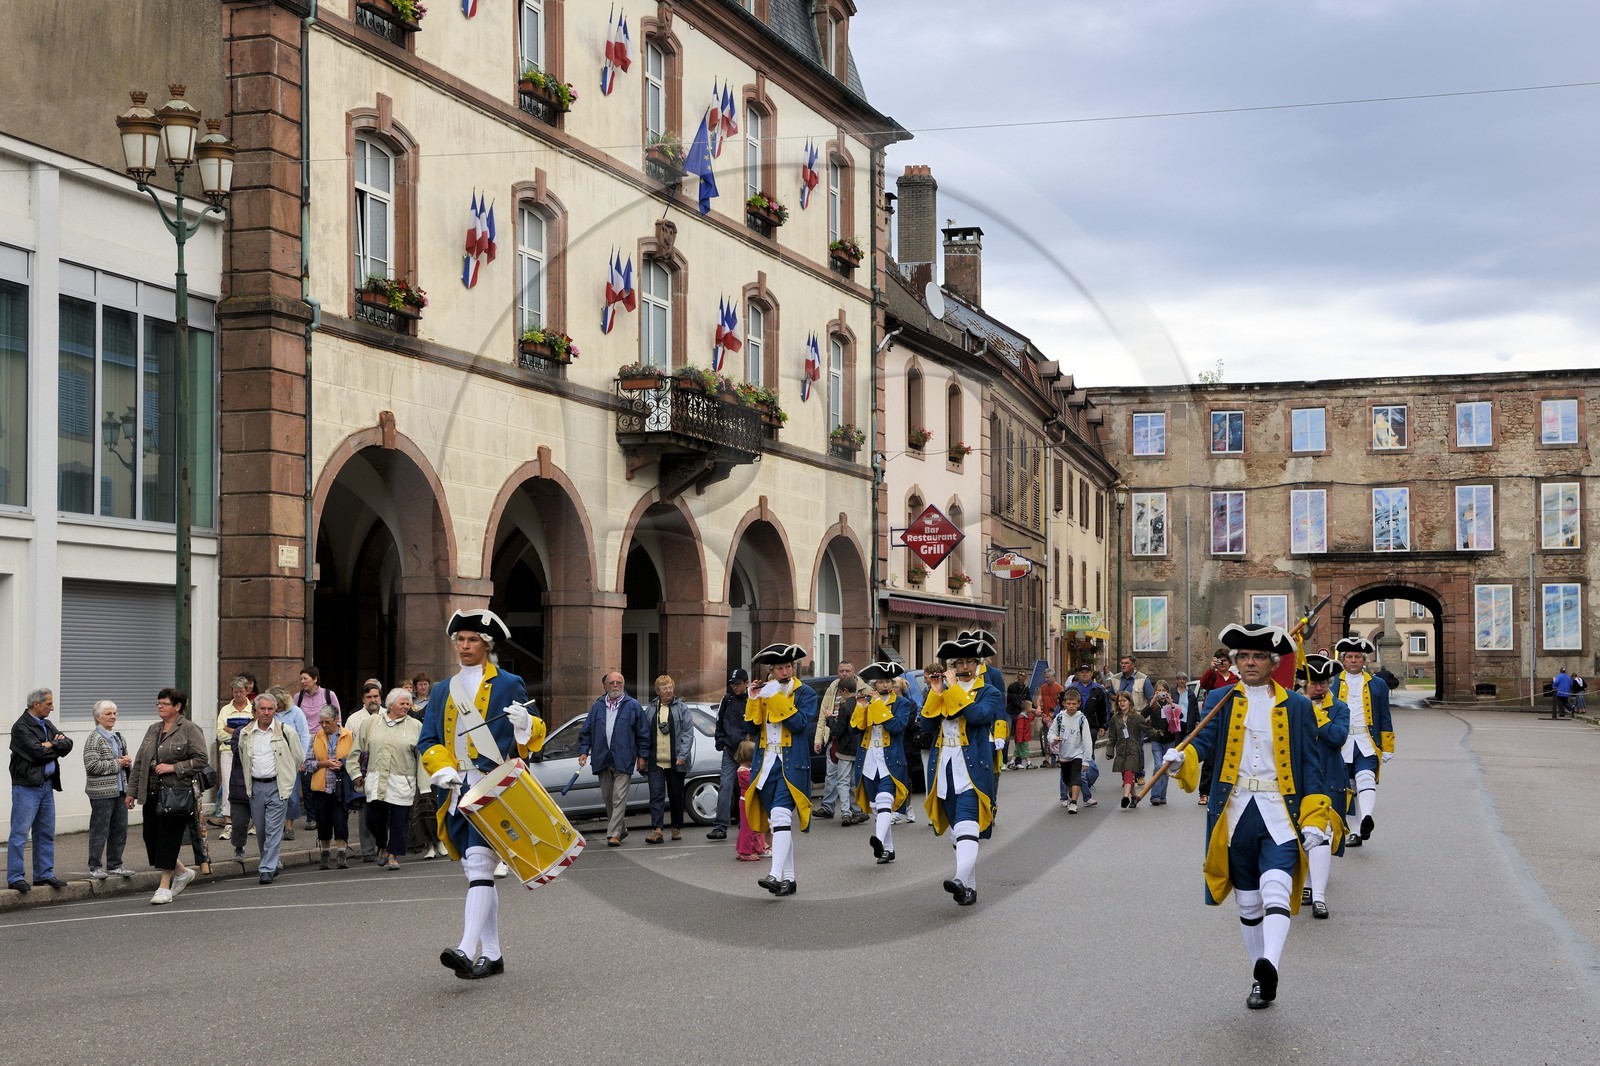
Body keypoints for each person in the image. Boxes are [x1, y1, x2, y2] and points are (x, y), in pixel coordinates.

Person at [1160, 622, 1339, 1010]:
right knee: (1247, 904)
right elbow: (1202, 743)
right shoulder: (1221, 699)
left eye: (1258, 656)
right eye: (1244, 656)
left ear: (1273, 662)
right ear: (1236, 661)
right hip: (1235, 811)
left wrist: (1314, 817)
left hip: (1280, 810)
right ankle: (1260, 976)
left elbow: (1311, 766)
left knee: (1276, 886)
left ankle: (1268, 966)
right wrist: (1180, 759)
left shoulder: (1298, 706)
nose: (1250, 662)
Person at [418, 608, 544, 980]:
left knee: (479, 865)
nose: (465, 645)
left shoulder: (509, 683)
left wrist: (525, 725)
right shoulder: (443, 690)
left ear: (487, 645)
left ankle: (465, 947)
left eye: (472, 640)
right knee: (476, 871)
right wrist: (441, 768)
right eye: (461, 639)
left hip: (493, 787)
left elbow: (533, 733)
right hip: (456, 789)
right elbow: (428, 739)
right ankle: (493, 955)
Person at [921, 633, 1002, 906]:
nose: (964, 667)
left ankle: (958, 878)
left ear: (978, 664)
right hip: (944, 766)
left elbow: (979, 716)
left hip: (973, 767)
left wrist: (953, 690)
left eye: (969, 662)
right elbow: (926, 727)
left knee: (969, 821)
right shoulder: (943, 692)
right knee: (958, 829)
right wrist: (935, 692)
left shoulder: (989, 691)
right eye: (959, 663)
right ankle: (968, 887)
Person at [744, 642, 820, 897]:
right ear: (772, 670)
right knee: (777, 823)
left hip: (792, 765)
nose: (785, 671)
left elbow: (799, 724)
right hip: (765, 765)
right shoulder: (765, 692)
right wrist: (754, 699)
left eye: (788, 666)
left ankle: (775, 875)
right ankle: (789, 879)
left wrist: (775, 697)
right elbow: (753, 730)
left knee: (779, 815)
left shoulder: (806, 693)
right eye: (779, 668)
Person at [128, 689, 209, 905]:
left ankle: (164, 886)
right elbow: (139, 763)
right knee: (151, 838)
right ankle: (182, 872)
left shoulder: (190, 729)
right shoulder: (153, 729)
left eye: (164, 703)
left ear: (177, 707)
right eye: (158, 703)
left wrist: (173, 767)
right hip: (152, 793)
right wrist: (131, 792)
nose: (160, 706)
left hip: (177, 793)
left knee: (168, 837)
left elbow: (201, 759)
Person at [1298, 654, 1350, 919]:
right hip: (1300, 779)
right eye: (1313, 683)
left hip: (1329, 778)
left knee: (1323, 833)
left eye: (1323, 683)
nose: (1319, 688)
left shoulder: (1340, 708)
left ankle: (1318, 897)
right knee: (1302, 835)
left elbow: (1337, 737)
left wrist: (1315, 713)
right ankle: (1306, 884)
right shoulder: (1294, 706)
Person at [1330, 636, 1394, 847]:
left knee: (1365, 778)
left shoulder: (1378, 685)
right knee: (1348, 787)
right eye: (1349, 657)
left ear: (1364, 659)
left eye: (1358, 656)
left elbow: (1384, 715)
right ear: (1343, 659)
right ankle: (1355, 832)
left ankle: (1366, 818)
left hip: (1367, 741)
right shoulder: (1332, 683)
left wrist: (1387, 746)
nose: (1354, 660)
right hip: (1342, 741)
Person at [234, 691, 303, 883]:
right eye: (262, 709)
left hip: (277, 786)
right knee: (262, 829)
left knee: (273, 828)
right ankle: (270, 861)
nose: (266, 712)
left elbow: (297, 757)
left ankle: (266, 868)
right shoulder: (246, 733)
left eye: (270, 709)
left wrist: (288, 780)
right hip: (256, 786)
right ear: (255, 711)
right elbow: (242, 757)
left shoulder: (286, 731)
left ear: (276, 710)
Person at [9, 688, 73, 892]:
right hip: (27, 786)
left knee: (45, 832)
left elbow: (68, 744)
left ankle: (43, 875)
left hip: (46, 786)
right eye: (48, 704)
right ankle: (15, 877)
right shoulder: (21, 727)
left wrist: (50, 744)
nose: (52, 708)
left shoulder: (45, 723)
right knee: (20, 834)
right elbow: (36, 753)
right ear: (35, 704)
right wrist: (55, 746)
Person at [850, 662, 914, 865]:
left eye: (889, 681)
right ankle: (888, 849)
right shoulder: (867, 701)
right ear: (874, 685)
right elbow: (854, 729)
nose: (886, 685)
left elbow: (896, 727)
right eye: (881, 682)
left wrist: (877, 704)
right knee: (877, 806)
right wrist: (861, 706)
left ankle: (878, 839)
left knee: (886, 799)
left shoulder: (902, 703)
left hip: (891, 759)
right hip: (868, 759)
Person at [577, 669, 649, 847]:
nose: (615, 685)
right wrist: (583, 751)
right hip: (602, 758)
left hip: (624, 758)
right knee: (608, 796)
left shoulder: (633, 706)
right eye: (612, 683)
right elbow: (586, 732)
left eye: (619, 682)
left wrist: (643, 756)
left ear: (623, 685)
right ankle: (621, 829)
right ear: (605, 686)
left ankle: (613, 834)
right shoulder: (597, 706)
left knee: (619, 797)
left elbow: (643, 734)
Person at [359, 687, 424, 870]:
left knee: (398, 821)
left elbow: (421, 756)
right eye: (402, 703)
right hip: (376, 779)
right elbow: (358, 750)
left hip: (403, 781)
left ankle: (393, 855)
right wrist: (356, 773)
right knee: (372, 818)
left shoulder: (416, 726)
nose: (406, 706)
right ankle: (382, 843)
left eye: (408, 703)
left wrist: (424, 783)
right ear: (390, 704)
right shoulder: (372, 722)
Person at [83, 700, 135, 880]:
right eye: (108, 714)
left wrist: (126, 765)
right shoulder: (94, 739)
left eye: (114, 713)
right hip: (101, 792)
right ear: (98, 717)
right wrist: (118, 763)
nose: (113, 717)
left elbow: (123, 767)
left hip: (120, 790)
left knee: (120, 829)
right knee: (100, 829)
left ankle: (115, 864)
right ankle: (95, 866)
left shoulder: (119, 737)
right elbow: (91, 766)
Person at [645, 674, 694, 844]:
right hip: (655, 761)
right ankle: (657, 830)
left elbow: (688, 733)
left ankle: (676, 828)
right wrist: (643, 756)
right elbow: (644, 734)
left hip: (676, 761)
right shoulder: (651, 709)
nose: (668, 690)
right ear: (658, 691)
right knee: (656, 796)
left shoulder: (682, 708)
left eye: (670, 687)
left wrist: (682, 755)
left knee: (676, 795)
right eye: (664, 688)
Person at [816, 662, 865, 824]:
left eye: (847, 670)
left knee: (843, 781)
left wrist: (831, 718)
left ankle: (846, 812)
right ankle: (854, 810)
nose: (844, 673)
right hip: (856, 747)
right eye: (841, 670)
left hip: (843, 748)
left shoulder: (847, 705)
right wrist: (820, 737)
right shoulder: (860, 702)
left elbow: (838, 730)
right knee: (849, 780)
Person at [308, 707, 356, 870]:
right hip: (321, 787)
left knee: (340, 820)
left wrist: (343, 763)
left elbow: (359, 759)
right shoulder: (316, 737)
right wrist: (324, 764)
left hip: (341, 786)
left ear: (336, 720)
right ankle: (325, 855)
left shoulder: (349, 735)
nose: (323, 725)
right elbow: (306, 764)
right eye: (321, 722)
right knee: (323, 822)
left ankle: (342, 854)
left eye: (327, 722)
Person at [343, 682, 383, 862]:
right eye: (369, 697)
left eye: (375, 696)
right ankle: (367, 850)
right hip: (365, 772)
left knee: (386, 811)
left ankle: (385, 845)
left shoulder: (388, 715)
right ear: (363, 700)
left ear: (380, 698)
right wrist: (356, 773)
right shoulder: (354, 719)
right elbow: (350, 748)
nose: (372, 700)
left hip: (386, 769)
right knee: (366, 813)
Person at [709, 668, 750, 840]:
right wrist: (721, 743)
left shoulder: (752, 700)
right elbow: (719, 723)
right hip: (729, 749)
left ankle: (746, 823)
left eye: (738, 684)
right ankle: (720, 826)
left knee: (746, 788)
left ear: (746, 683)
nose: (734, 687)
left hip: (747, 750)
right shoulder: (727, 699)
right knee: (725, 786)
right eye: (732, 684)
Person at [213, 677, 253, 839]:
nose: (238, 694)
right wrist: (241, 731)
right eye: (235, 691)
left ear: (247, 691)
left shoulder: (252, 709)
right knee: (228, 785)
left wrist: (232, 730)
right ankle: (228, 823)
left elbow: (254, 731)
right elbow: (220, 733)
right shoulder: (225, 710)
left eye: (241, 691)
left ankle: (251, 820)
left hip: (249, 752)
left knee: (250, 784)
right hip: (228, 751)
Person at [1105, 691, 1158, 810]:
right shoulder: (1115, 718)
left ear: (1130, 702)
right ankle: (1134, 796)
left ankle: (1125, 797)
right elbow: (1112, 737)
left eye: (1124, 700)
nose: (1122, 703)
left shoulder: (1137, 717)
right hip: (1121, 751)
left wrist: (1159, 734)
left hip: (1133, 750)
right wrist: (1109, 750)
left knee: (1129, 772)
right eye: (1120, 701)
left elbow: (1147, 729)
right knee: (1126, 777)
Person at [271, 684, 311, 841]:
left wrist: (302, 758)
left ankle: (289, 826)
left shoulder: (296, 712)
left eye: (278, 703)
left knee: (292, 794)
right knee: (274, 794)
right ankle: (277, 824)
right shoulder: (270, 713)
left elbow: (304, 735)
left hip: (291, 760)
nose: (276, 706)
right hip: (273, 759)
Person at [1047, 687, 1094, 812]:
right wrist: (1053, 739)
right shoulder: (1060, 718)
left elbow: (1087, 740)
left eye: (1074, 704)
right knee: (1067, 779)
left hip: (1077, 753)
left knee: (1076, 777)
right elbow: (1051, 732)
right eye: (1069, 704)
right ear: (1064, 704)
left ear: (1079, 704)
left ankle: (1073, 802)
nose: (1071, 706)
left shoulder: (1082, 719)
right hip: (1064, 755)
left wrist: (1086, 760)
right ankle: (1070, 796)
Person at [1144, 680, 1185, 806]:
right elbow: (1143, 715)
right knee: (1158, 766)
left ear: (1167, 692)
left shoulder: (1170, 704)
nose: (1162, 693)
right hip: (1157, 739)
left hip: (1169, 739)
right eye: (1159, 690)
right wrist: (1152, 700)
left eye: (1164, 691)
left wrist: (1171, 703)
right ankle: (1155, 796)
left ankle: (1162, 795)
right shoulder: (1154, 705)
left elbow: (1181, 716)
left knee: (1165, 768)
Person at [733, 740, 766, 862]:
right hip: (747, 802)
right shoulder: (743, 771)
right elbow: (755, 784)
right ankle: (745, 852)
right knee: (748, 828)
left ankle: (755, 848)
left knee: (754, 826)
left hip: (751, 801)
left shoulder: (746, 769)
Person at [1067, 663, 1109, 736]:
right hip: (1073, 726)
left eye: (1087, 672)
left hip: (1092, 726)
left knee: (1089, 747)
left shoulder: (1099, 690)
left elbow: (1105, 709)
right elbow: (1063, 706)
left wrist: (1103, 726)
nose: (1084, 674)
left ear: (1091, 674)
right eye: (1082, 672)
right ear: (1078, 674)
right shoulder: (1071, 689)